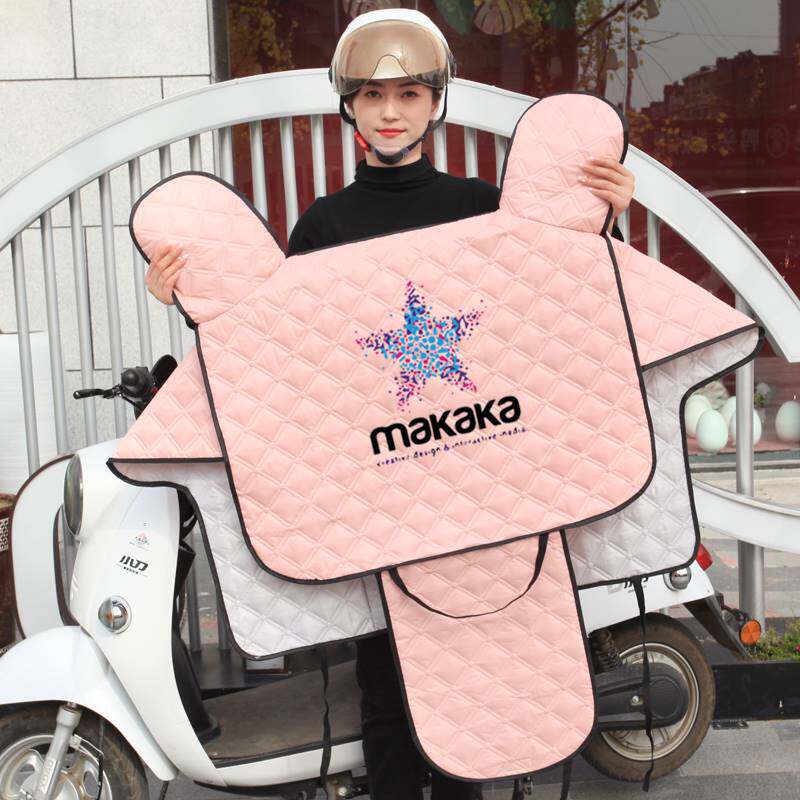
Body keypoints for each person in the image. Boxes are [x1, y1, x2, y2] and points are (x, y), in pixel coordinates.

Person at [144, 9, 635, 799]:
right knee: (384, 685)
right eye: (373, 95)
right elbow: (281, 356)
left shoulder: (485, 207)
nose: (391, 111)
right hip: (384, 491)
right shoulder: (323, 226)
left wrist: (605, 226)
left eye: (408, 93)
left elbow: (555, 319)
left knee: (474, 678)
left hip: (480, 475)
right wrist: (192, 301)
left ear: (436, 101)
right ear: (349, 106)